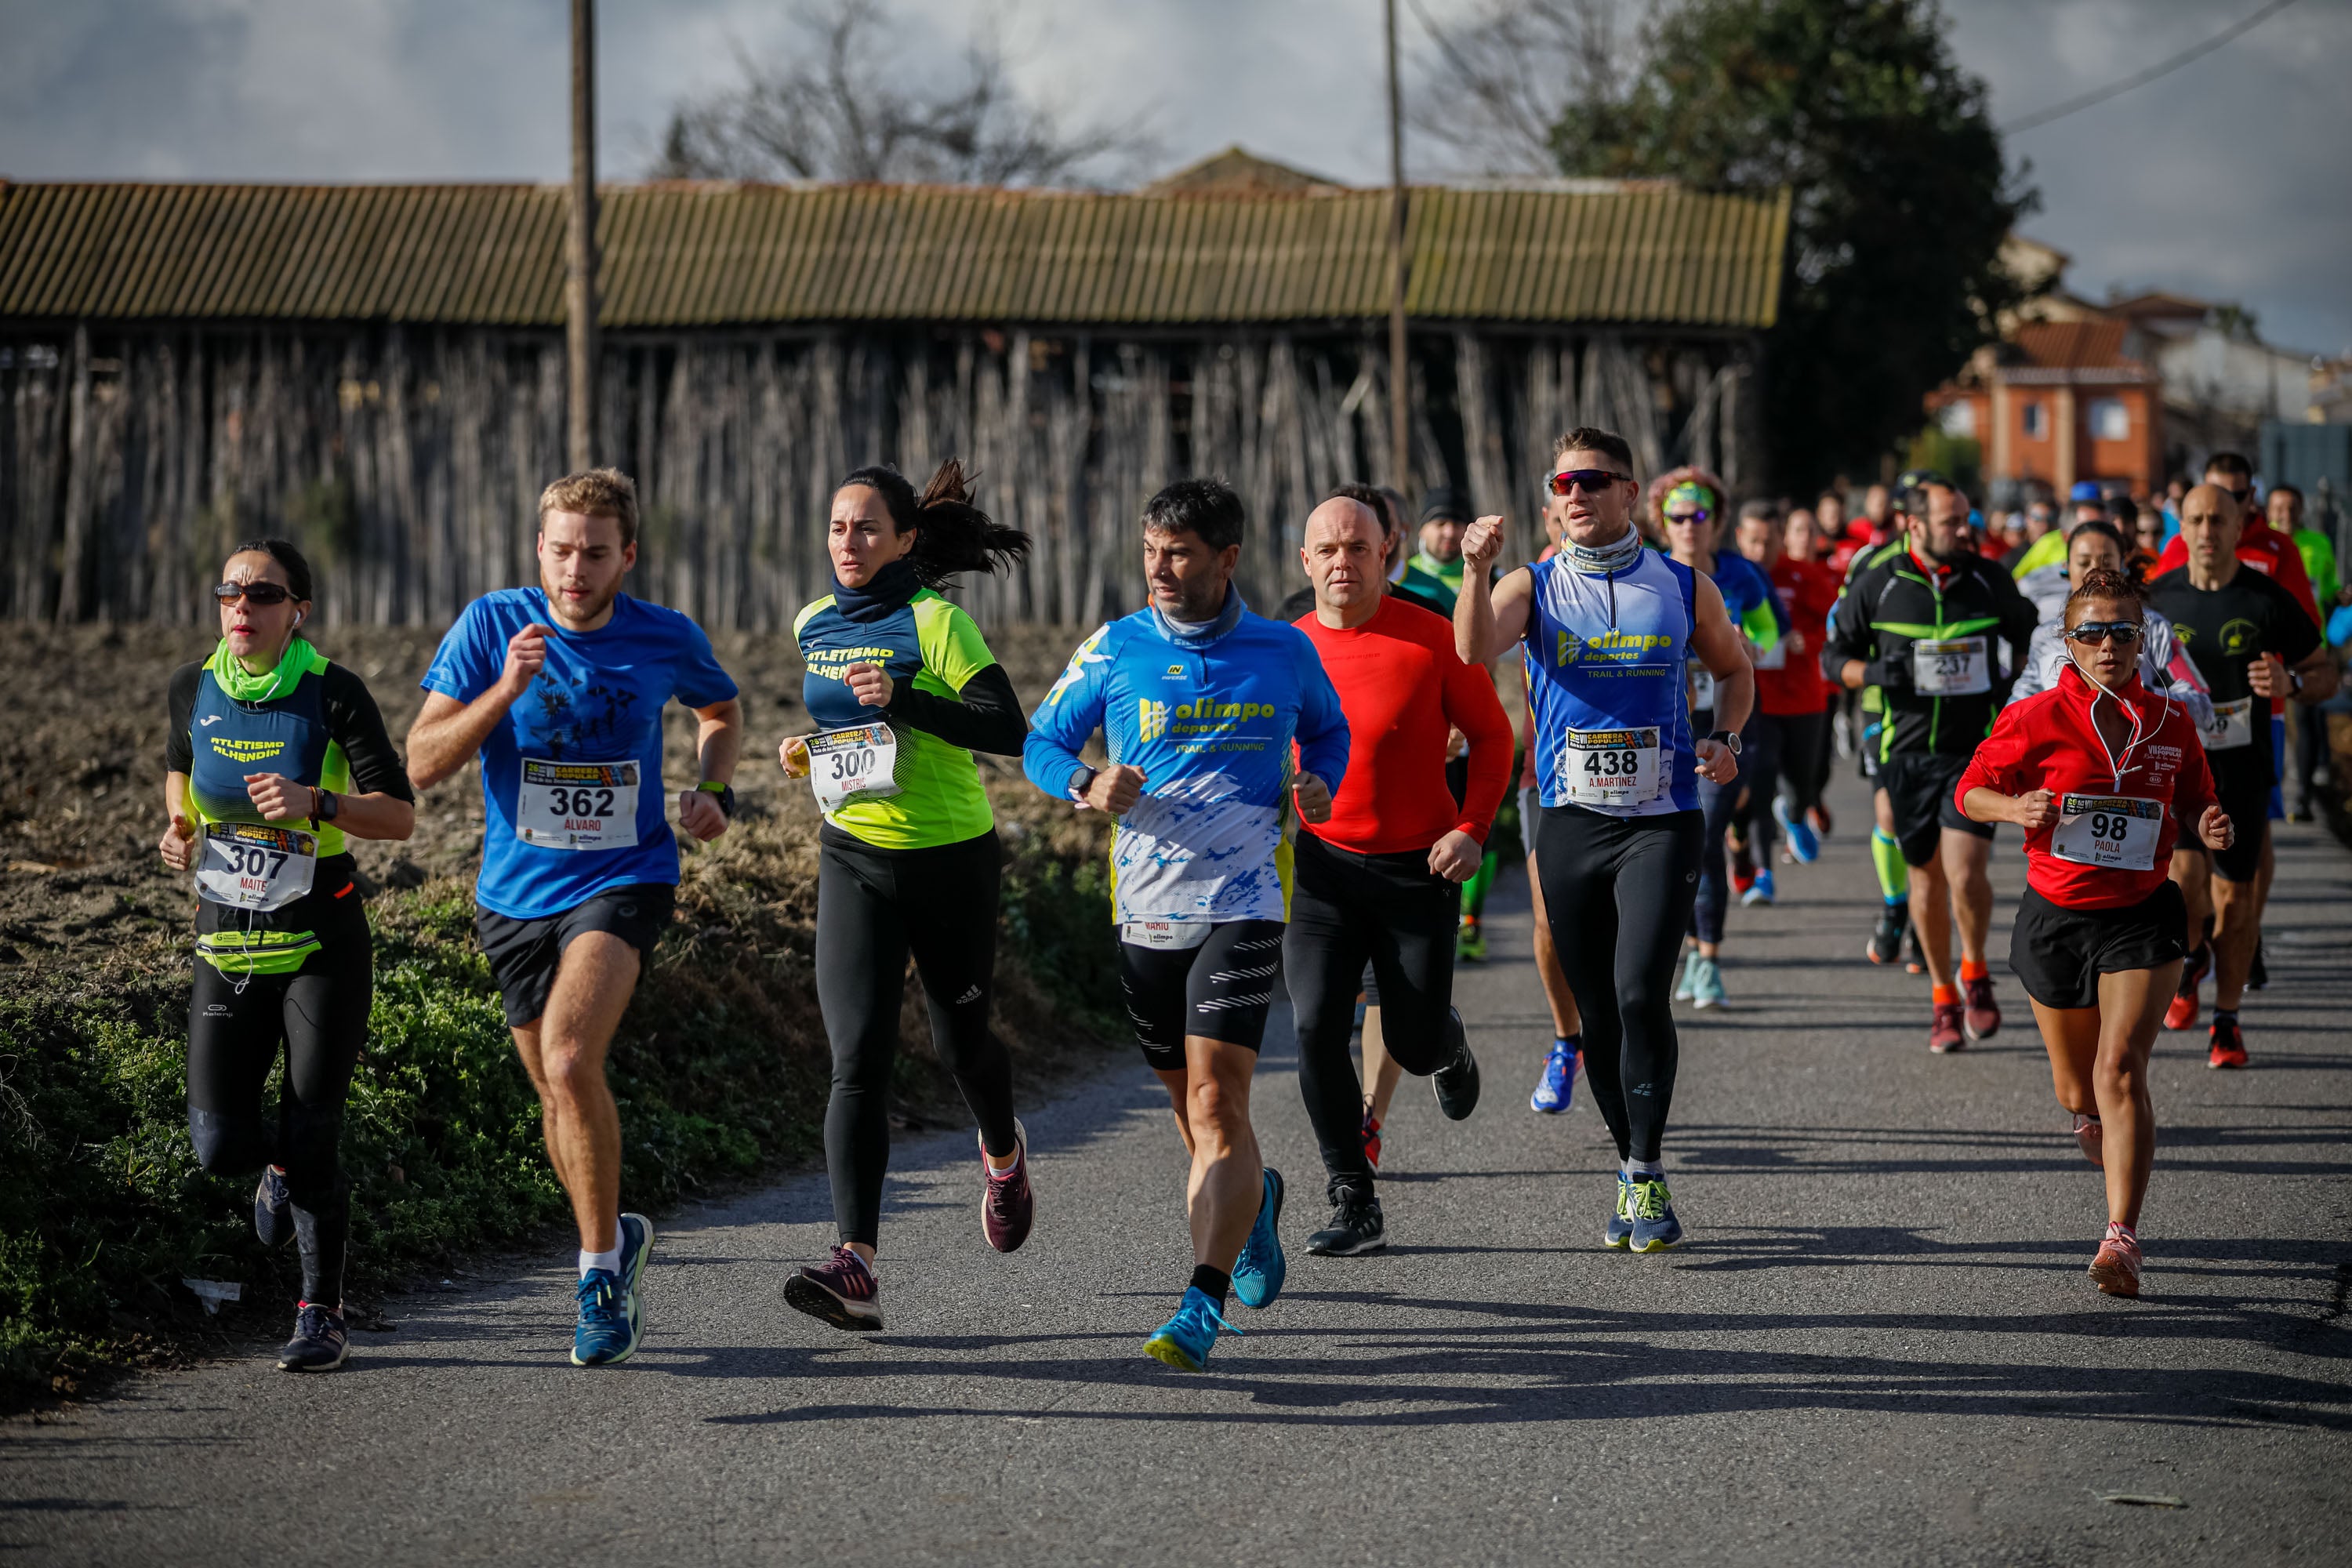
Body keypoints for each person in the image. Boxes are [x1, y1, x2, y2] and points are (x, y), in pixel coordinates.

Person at [408, 468, 742, 1367]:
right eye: (561, 550)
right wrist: (503, 691)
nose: (575, 569)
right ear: (540, 550)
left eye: (596, 553)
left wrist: (713, 786)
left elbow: (720, 707)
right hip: (513, 895)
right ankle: (617, 1235)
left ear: (626, 555)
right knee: (556, 1094)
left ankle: (597, 1274)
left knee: (569, 1054)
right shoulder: (491, 625)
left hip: (625, 876)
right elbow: (422, 761)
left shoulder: (664, 634)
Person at [1024, 477, 1349, 1370]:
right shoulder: (1115, 647)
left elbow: (1330, 734)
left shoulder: (1282, 650)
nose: (1159, 569)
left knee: (1217, 1101)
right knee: (1192, 1115)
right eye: (1149, 551)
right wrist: (1084, 782)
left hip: (1242, 904)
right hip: (1145, 911)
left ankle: (1201, 1301)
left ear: (1227, 558)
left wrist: (1320, 781)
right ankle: (1255, 1204)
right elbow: (1040, 740)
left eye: (1179, 553)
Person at [1456, 426, 1751, 1252]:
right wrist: (1476, 570)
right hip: (1569, 818)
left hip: (1661, 819)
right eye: (1561, 483)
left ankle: (1647, 1168)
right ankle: (1630, 1163)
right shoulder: (1532, 583)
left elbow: (1734, 670)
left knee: (1637, 993)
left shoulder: (1682, 585)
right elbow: (1473, 648)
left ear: (1631, 493)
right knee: (1596, 1012)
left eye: (1593, 480)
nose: (1575, 494)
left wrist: (1725, 740)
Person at [774, 459, 1039, 1333]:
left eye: (868, 529)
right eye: (839, 527)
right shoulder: (813, 621)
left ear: (905, 539)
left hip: (949, 858)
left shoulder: (936, 621)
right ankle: (856, 1264)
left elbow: (1008, 728)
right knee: (858, 1060)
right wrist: (811, 751)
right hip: (853, 854)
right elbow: (850, 730)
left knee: (961, 1043)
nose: (850, 543)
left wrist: (914, 697)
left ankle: (1003, 1155)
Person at [159, 539, 416, 1373]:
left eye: (262, 592)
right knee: (217, 1143)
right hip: (227, 933)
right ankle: (275, 1161)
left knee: (316, 1128)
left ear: (296, 609)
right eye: (229, 590)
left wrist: (319, 800)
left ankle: (321, 1310)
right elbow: (177, 768)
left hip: (320, 938)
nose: (241, 605)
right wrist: (179, 824)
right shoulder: (191, 687)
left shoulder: (332, 694)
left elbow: (400, 816)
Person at [1957, 568, 2232, 1298]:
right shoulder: (2035, 718)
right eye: (2092, 632)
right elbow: (1970, 791)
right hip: (2056, 920)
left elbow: (2201, 795)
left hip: (2142, 913)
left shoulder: (2171, 720)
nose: (2109, 644)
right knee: (2077, 1089)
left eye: (2123, 631)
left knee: (2120, 1069)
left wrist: (2209, 822)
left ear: (2142, 640)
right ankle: (2090, 1125)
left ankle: (2121, 1237)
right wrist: (2016, 811)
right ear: (2068, 643)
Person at [1285, 493, 1504, 1254]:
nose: (1343, 561)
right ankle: (1353, 1195)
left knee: (1409, 1042)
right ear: (1304, 561)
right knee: (1314, 1026)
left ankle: (1445, 1042)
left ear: (1386, 554)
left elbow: (1492, 735)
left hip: (1421, 867)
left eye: (1358, 547)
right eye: (1328, 549)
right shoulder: (1286, 650)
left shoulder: (1431, 635)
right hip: (1323, 871)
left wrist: (1472, 829)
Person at [1822, 470, 2037, 1052]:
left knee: (1966, 873)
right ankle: (1943, 996)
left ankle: (1976, 971)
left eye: (1965, 518)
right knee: (1926, 879)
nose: (1963, 530)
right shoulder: (1878, 583)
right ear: (1913, 525)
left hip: (1973, 752)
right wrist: (1873, 673)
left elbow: (2030, 632)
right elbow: (1832, 657)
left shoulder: (1989, 579)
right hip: (1906, 750)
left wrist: (2008, 679)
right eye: (1950, 521)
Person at [2144, 485, 2336, 1065]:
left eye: (2218, 521)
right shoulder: (2156, 601)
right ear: (2182, 526)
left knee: (2238, 896)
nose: (2206, 532)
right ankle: (2192, 959)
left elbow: (2324, 673)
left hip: (2243, 770)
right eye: (2196, 520)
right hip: (2176, 771)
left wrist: (2292, 686)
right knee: (2184, 890)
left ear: (2239, 525)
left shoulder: (2268, 600)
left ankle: (2226, 1018)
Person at [1654, 474, 1785, 1007]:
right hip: (1664, 729)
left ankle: (1708, 959)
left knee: (1705, 834)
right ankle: (1688, 946)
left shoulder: (1741, 574)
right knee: (1675, 844)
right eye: (1679, 517)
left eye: (1699, 516)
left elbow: (1772, 631)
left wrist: (1750, 645)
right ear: (1662, 522)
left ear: (1717, 522)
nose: (1689, 527)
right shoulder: (1647, 573)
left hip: (1729, 725)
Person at [2012, 521, 2211, 733]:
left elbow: (2202, 707)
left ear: (2123, 566)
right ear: (2066, 568)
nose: (2095, 571)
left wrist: (2138, 696)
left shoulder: (2154, 629)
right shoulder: (2046, 636)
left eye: (2106, 562)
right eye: (2083, 562)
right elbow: (2015, 714)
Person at [1742, 500, 1841, 866]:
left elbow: (1835, 625)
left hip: (1803, 697)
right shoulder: (1733, 577)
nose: (1760, 551)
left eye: (1768, 542)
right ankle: (1759, 869)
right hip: (1755, 699)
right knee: (1761, 776)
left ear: (1780, 540)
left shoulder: (1804, 575)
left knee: (1805, 783)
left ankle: (1796, 815)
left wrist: (1808, 641)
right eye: (1753, 542)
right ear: (1740, 538)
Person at [2274, 485, 2343, 818]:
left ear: (2301, 511)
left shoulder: (2318, 544)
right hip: (2270, 648)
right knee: (2284, 721)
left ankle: (2303, 795)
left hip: (2309, 645)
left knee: (2304, 716)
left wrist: (2339, 596)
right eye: (2279, 508)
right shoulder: (2258, 545)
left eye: (2292, 508)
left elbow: (2327, 590)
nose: (2285, 515)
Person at [1784, 507, 1840, 844]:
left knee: (1818, 762)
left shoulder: (1828, 576)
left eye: (1810, 530)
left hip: (1821, 682)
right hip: (1774, 685)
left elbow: (1840, 628)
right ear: (1786, 536)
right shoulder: (1768, 575)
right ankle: (1792, 813)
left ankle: (1810, 799)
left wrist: (1814, 642)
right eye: (1798, 530)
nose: (1804, 537)